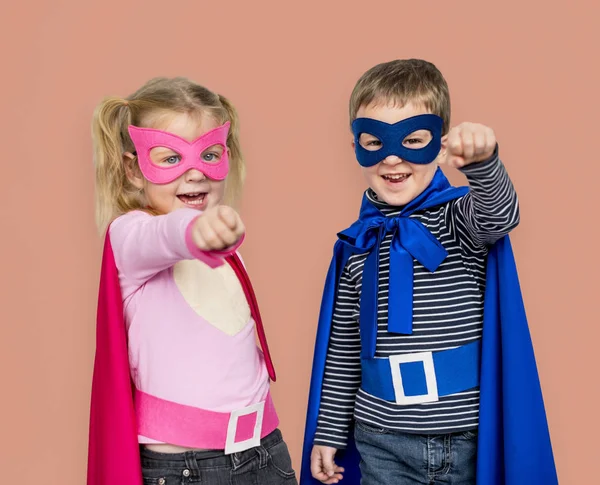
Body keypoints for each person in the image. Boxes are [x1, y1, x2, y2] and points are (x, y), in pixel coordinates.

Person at [300, 59, 557, 484]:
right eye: (374, 142)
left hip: (463, 439)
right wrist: (329, 431)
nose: (393, 157)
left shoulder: (457, 218)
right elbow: (344, 347)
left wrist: (484, 163)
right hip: (381, 438)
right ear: (356, 148)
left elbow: (499, 215)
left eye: (413, 140)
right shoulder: (357, 243)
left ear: (438, 145)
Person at [86, 76, 298, 485]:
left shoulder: (222, 238)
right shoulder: (130, 237)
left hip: (266, 451)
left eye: (211, 154)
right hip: (189, 469)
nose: (195, 174)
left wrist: (210, 232)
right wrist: (192, 231)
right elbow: (161, 237)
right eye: (170, 159)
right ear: (133, 169)